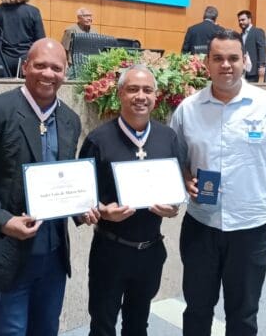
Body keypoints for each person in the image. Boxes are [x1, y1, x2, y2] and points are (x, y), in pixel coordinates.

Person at [170, 29, 266, 336]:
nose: (226, 65)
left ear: (245, 61)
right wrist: (186, 179)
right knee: (197, 308)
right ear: (207, 63)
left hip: (251, 227)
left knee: (243, 313)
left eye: (233, 58)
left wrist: (258, 177)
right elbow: (176, 160)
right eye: (218, 58)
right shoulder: (187, 110)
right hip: (201, 224)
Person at [0, 38, 100, 336]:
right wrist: (3, 220)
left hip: (53, 256)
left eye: (56, 68)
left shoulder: (70, 119)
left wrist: (81, 208)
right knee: (8, 331)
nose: (48, 73)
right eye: (40, 65)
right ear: (25, 67)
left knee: (47, 329)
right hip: (7, 251)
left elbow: (65, 177)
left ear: (65, 73)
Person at [78, 65, 183, 336]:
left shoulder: (167, 138)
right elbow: (81, 196)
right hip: (110, 251)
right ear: (120, 94)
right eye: (133, 89)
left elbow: (175, 190)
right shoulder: (98, 140)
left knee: (138, 325)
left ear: (156, 96)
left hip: (150, 250)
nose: (141, 96)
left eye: (147, 90)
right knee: (102, 326)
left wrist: (172, 208)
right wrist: (103, 211)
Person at [237, 10, 266, 82]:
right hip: (242, 70)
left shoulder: (257, 32)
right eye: (239, 20)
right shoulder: (240, 35)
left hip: (253, 70)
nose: (240, 22)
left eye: (243, 20)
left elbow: (262, 48)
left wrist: (262, 66)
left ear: (249, 19)